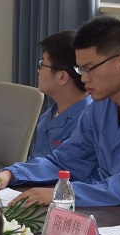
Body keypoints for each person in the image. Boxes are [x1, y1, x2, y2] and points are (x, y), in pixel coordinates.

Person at [0, 15, 120, 211]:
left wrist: (65, 193)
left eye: (89, 69)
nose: (83, 79)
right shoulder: (101, 106)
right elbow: (66, 160)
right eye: (80, 70)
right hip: (112, 210)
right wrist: (10, 174)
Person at [29, 30, 88, 160]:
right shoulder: (50, 114)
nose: (38, 70)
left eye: (42, 64)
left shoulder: (87, 123)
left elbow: (62, 167)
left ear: (62, 77)